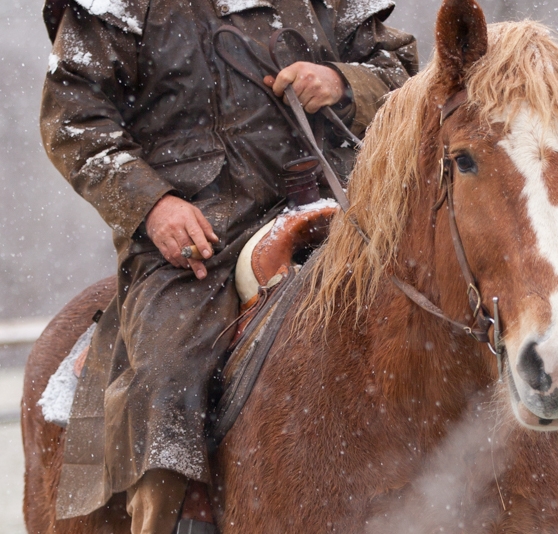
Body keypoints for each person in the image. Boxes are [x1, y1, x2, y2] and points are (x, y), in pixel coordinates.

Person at [40, 0, 417, 531]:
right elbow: (75, 119)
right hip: (199, 236)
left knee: (456, 305)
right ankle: (166, 520)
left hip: (346, 209)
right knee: (166, 371)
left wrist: (343, 81)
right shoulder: (114, 7)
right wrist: (152, 204)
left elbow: (405, 73)